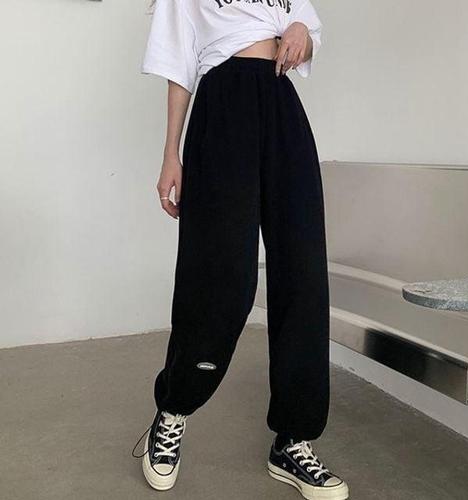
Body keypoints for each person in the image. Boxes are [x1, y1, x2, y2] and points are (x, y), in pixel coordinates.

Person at [137, 1, 349, 498]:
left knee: (302, 271)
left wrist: (302, 32)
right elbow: (178, 66)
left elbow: (309, 33)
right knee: (219, 274)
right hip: (223, 104)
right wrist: (171, 154)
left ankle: (293, 438)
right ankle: (173, 408)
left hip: (282, 105)